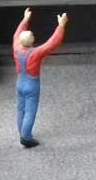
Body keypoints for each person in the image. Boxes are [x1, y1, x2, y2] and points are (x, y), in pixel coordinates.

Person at [13, 8, 69, 148]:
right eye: (31, 35)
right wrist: (61, 26)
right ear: (31, 40)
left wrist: (25, 20)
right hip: (32, 84)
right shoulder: (35, 53)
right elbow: (51, 44)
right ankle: (26, 137)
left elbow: (16, 34)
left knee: (21, 109)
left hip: (20, 82)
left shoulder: (16, 48)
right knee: (30, 111)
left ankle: (22, 132)